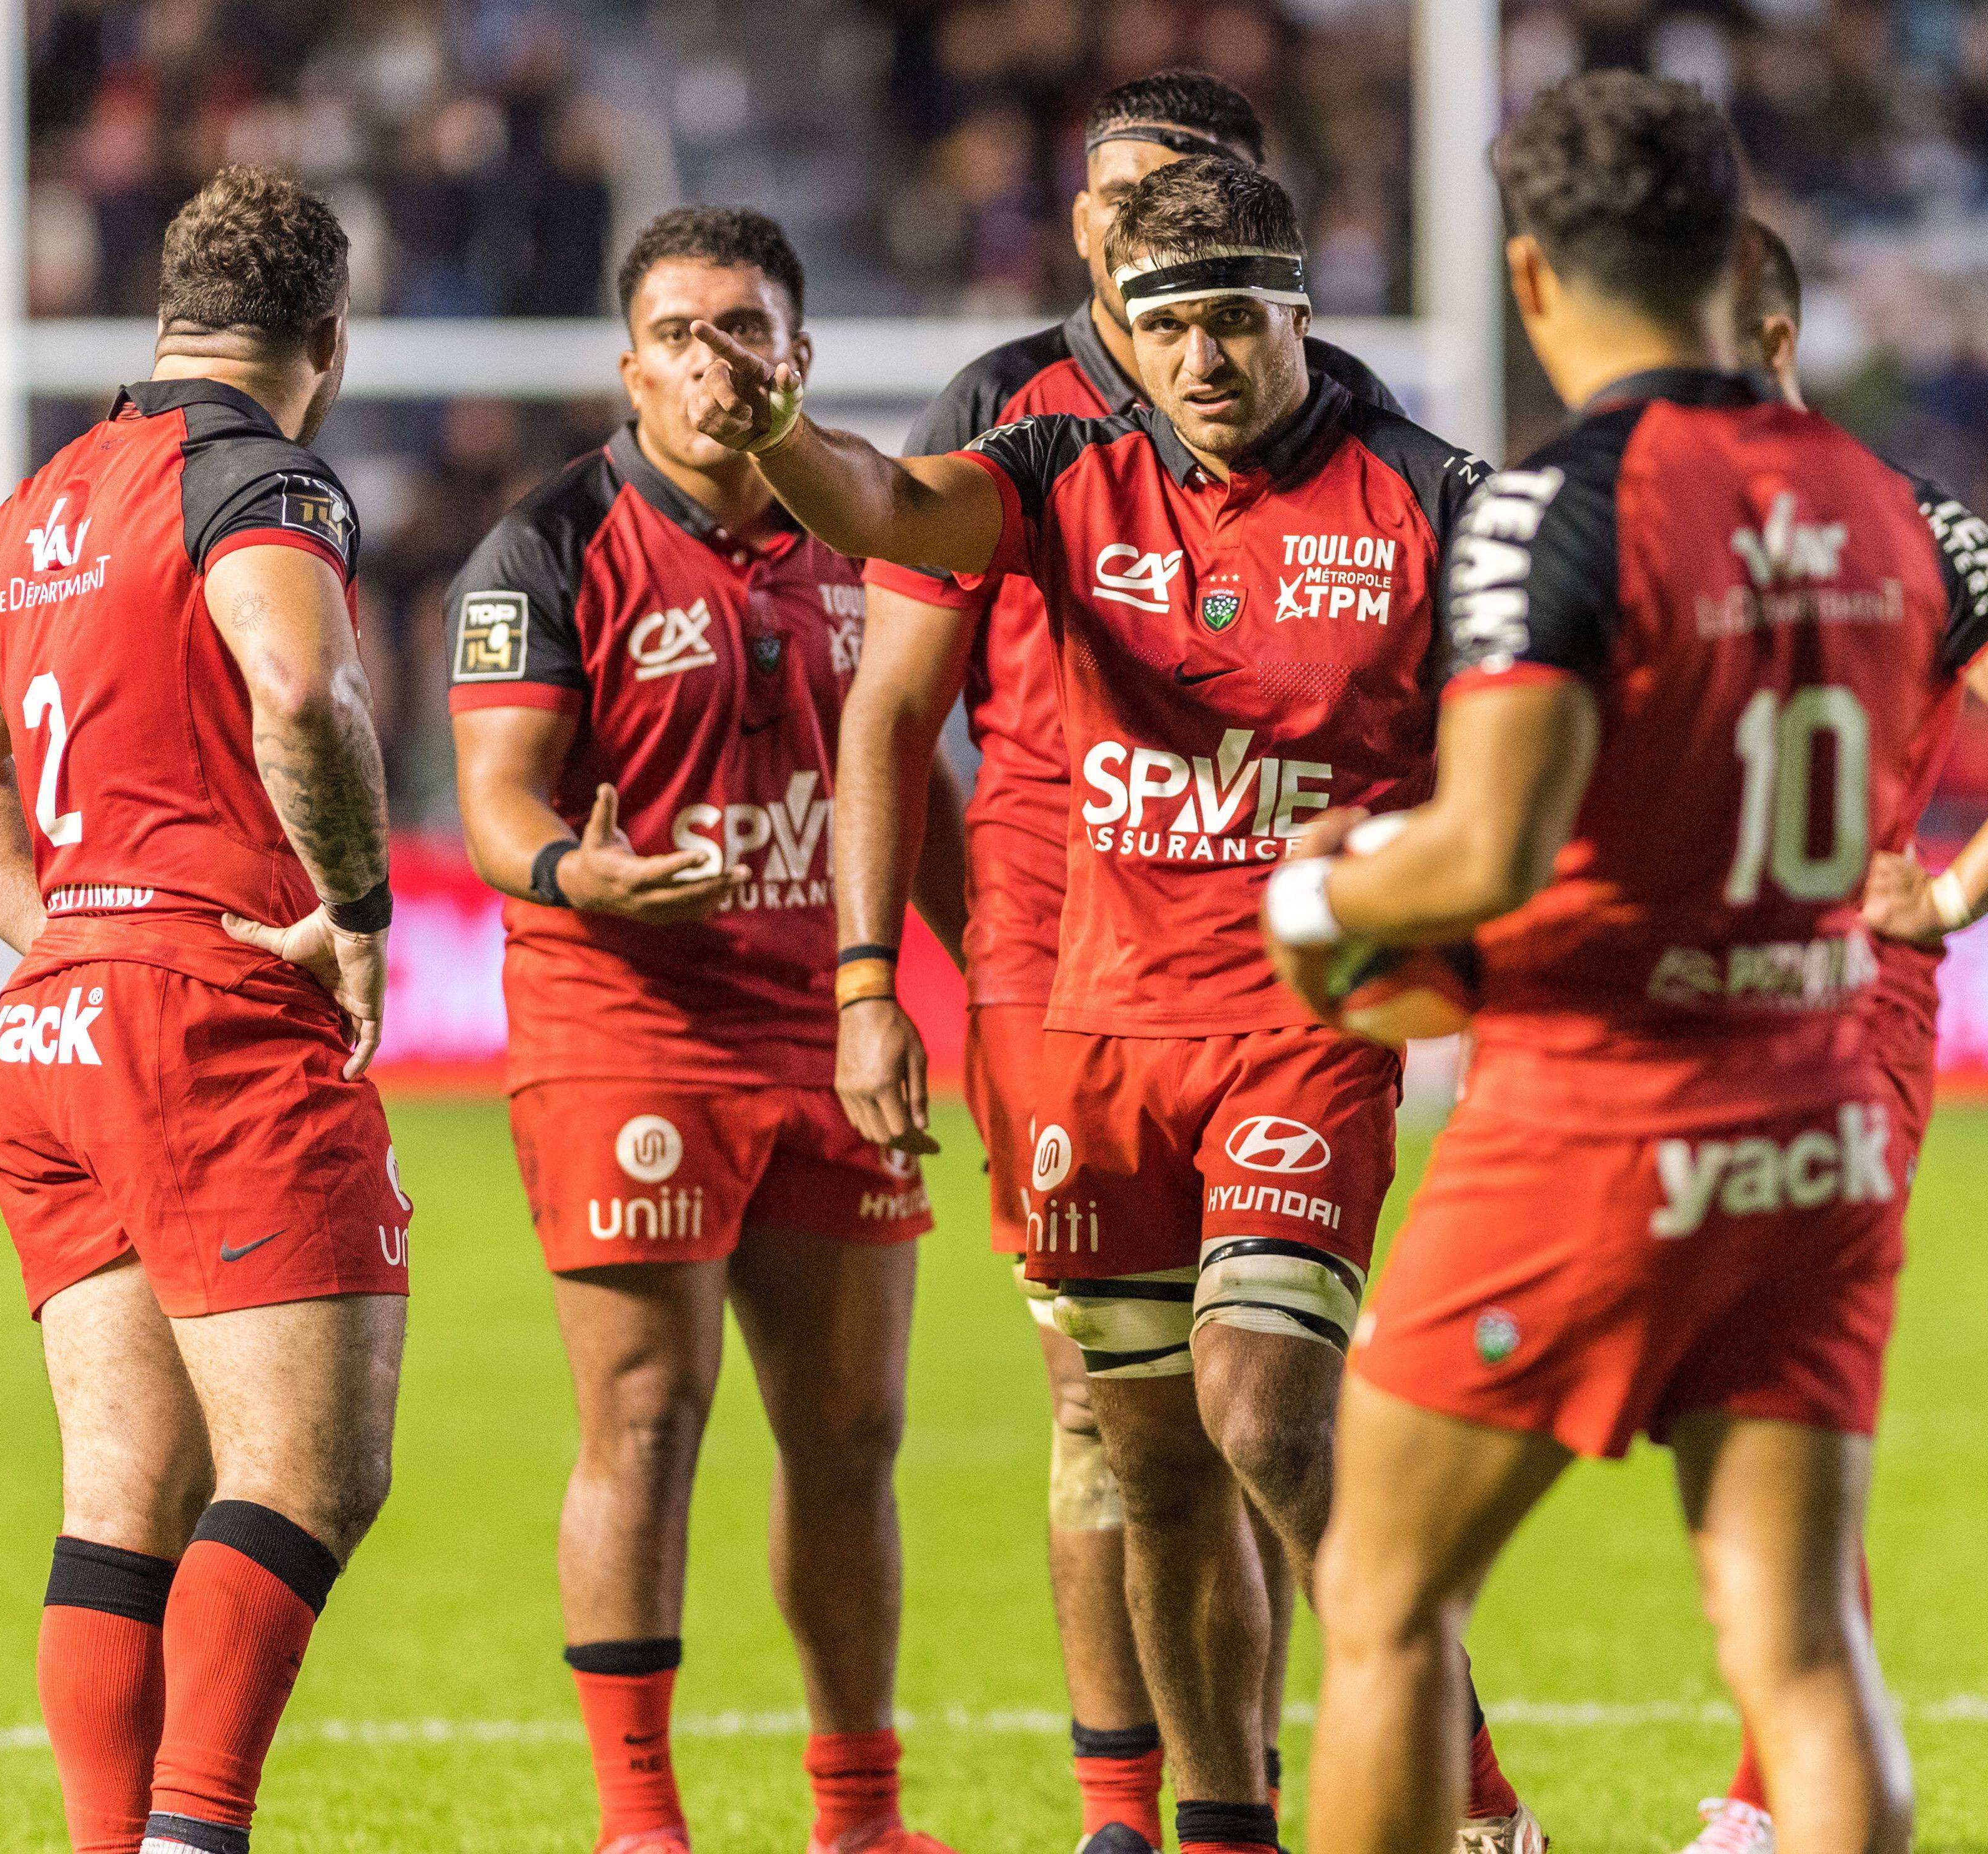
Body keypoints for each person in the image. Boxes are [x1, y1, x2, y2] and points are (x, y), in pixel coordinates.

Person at [1277, 75, 1988, 1854]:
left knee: (1377, 1593)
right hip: (1814, 1120)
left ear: (1530, 280)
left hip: (1597, 1118)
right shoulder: (1885, 501)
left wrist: (1324, 894)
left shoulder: (1549, 505)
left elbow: (1490, 848)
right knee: (1801, 1646)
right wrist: (1954, 887)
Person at [683, 154, 1539, 1854]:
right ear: (1124, 340)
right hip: (1084, 1028)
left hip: (1302, 1021)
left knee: (1264, 1411)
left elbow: (1539, 746)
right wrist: (783, 433)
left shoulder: (1430, 496)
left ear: (1297, 304)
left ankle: (1470, 1801)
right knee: (1147, 1464)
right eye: (1171, 330)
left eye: (1235, 318)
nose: (1206, 359)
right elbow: (881, 503)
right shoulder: (1053, 461)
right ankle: (1217, 1825)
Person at [830, 71, 1412, 1848]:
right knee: (1110, 1413)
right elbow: (890, 711)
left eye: (1156, 196)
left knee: (1248, 1404)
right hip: (1045, 969)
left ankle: (1384, 1757)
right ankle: (1128, 1809)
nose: (1115, 225)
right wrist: (898, 970)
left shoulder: (1370, 450)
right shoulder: (1005, 412)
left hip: (1269, 967)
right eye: (1099, 200)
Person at [0, 165, 408, 1854]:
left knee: (123, 1494)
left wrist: (66, 926)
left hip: (53, 1027)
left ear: (165, 315)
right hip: (212, 1007)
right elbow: (306, 687)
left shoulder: (41, 499)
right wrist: (364, 905)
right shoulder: (261, 479)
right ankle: (194, 1839)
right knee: (311, 1472)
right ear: (333, 334)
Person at [445, 207, 959, 1854]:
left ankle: (859, 1821)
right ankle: (638, 1823)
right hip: (629, 1022)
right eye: (678, 331)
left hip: (834, 1024)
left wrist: (1006, 984)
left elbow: (923, 797)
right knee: (648, 1415)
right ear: (628, 367)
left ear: (799, 357)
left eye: (743, 327)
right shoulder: (547, 544)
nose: (711, 359)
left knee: (853, 1431)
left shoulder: (878, 533)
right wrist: (568, 866)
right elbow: (494, 796)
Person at [1685, 219, 1988, 1854]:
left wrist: (1946, 893)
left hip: (1832, 1003)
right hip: (1663, 1011)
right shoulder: (1622, 522)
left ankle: (1768, 1800)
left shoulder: (1899, 522)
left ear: (1776, 333)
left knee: (1771, 1384)